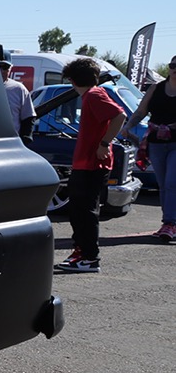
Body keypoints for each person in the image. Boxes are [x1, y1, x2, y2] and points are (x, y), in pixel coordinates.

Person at [54, 57, 127, 274]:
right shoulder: (90, 96)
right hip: (84, 163)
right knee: (78, 211)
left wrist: (105, 143)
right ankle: (81, 252)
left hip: (93, 164)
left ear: (73, 80)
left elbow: (119, 115)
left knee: (85, 212)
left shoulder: (94, 95)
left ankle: (89, 257)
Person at [124, 55, 176, 242]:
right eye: (172, 65)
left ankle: (169, 223)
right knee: (163, 185)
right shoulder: (156, 88)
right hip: (155, 142)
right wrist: (128, 126)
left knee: (171, 183)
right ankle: (169, 223)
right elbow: (141, 111)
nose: (174, 69)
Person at [0, 53, 35, 138]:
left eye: (5, 67)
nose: (2, 71)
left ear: (10, 68)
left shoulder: (18, 89)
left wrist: (24, 141)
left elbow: (28, 118)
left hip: (10, 143)